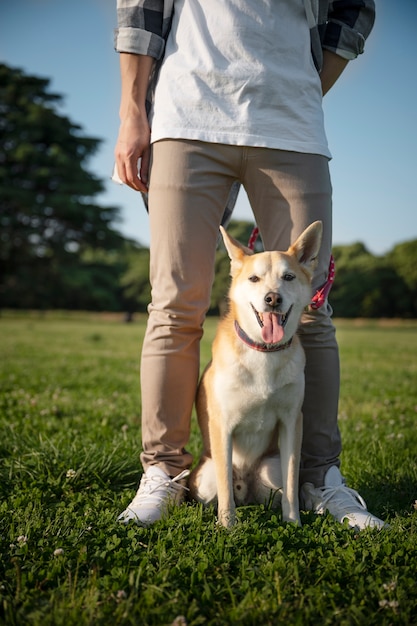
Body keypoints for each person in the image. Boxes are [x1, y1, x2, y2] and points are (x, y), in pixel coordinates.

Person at [114, 0, 386, 529]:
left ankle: (317, 478)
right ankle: (164, 472)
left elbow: (354, 8)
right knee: (175, 306)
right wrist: (133, 111)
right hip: (187, 112)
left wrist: (305, 85)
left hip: (290, 121)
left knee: (310, 309)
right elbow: (140, 7)